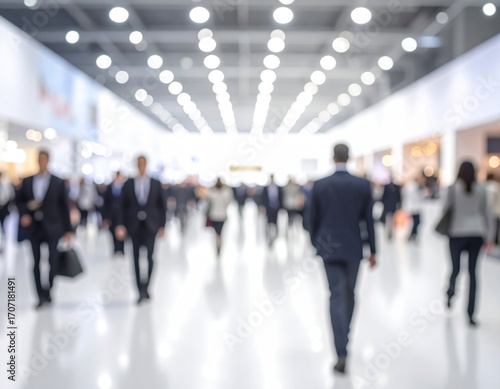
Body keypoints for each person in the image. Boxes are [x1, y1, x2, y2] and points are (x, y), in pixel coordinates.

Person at [309, 144, 376, 374]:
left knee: (335, 295)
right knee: (349, 293)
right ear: (349, 157)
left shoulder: (320, 185)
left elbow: (311, 219)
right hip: (353, 246)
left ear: (332, 157)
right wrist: (374, 250)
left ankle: (340, 350)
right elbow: (369, 220)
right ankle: (345, 338)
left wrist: (316, 243)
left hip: (329, 247)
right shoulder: (362, 184)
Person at [17, 150, 73, 309]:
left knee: (52, 260)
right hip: (34, 227)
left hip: (53, 226)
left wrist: (68, 229)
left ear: (48, 161)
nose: (41, 162)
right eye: (39, 159)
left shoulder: (58, 181)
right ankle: (39, 294)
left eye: (44, 159)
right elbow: (19, 201)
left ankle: (49, 290)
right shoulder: (27, 181)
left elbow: (64, 207)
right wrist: (26, 210)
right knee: (35, 262)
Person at [444, 161, 493, 326]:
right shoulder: (481, 189)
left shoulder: (452, 189)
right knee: (473, 273)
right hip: (476, 233)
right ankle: (471, 313)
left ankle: (450, 294)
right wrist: (489, 237)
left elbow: (445, 210)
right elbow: (487, 213)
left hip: (456, 233)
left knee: (455, 269)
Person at [115, 156, 166, 304]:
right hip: (134, 226)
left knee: (150, 257)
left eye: (143, 163)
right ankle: (139, 290)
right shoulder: (128, 183)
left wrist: (162, 226)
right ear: (136, 165)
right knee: (135, 259)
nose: (141, 166)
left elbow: (161, 206)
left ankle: (147, 287)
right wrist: (121, 225)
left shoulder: (156, 183)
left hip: (151, 226)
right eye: (139, 164)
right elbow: (122, 206)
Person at [206, 178, 234, 256]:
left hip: (214, 215)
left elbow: (207, 197)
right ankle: (219, 245)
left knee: (216, 233)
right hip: (222, 215)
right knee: (220, 233)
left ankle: (217, 244)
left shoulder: (213, 193)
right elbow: (229, 201)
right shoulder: (225, 193)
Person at [103, 171, 126, 256]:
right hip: (112, 213)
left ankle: (121, 248)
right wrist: (105, 217)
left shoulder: (124, 187)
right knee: (112, 231)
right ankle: (115, 248)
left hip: (122, 213)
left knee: (122, 230)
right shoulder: (110, 187)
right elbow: (106, 202)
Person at [260, 175, 283, 246]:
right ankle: (267, 234)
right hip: (268, 207)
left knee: (276, 221)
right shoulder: (265, 188)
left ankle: (276, 233)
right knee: (268, 221)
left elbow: (280, 197)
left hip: (276, 207)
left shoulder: (278, 188)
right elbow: (263, 197)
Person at [402, 175, 426, 241]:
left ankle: (414, 234)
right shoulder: (413, 187)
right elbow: (413, 197)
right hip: (412, 207)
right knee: (415, 222)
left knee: (418, 222)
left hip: (417, 207)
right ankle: (412, 235)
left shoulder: (419, 187)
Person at [380, 175, 401, 239]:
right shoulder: (387, 186)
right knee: (389, 218)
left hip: (391, 205)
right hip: (389, 204)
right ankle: (389, 230)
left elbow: (399, 196)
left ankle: (390, 230)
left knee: (391, 218)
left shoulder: (396, 187)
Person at [0, 171, 14, 252]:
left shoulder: (6, 184)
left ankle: (3, 244)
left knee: (3, 228)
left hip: (3, 209)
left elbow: (9, 196)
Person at [485, 173, 500, 246]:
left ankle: (488, 240)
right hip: (494, 209)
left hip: (486, 209)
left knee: (487, 225)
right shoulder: (496, 186)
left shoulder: (484, 186)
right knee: (494, 226)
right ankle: (494, 241)